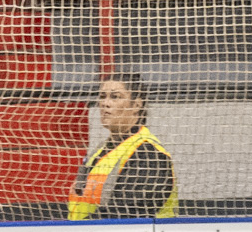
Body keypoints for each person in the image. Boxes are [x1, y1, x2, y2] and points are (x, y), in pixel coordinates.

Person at [68, 74, 175, 220]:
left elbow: (126, 213)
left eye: (115, 97)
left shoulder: (149, 154)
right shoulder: (100, 150)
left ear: (136, 105)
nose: (105, 103)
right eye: (102, 96)